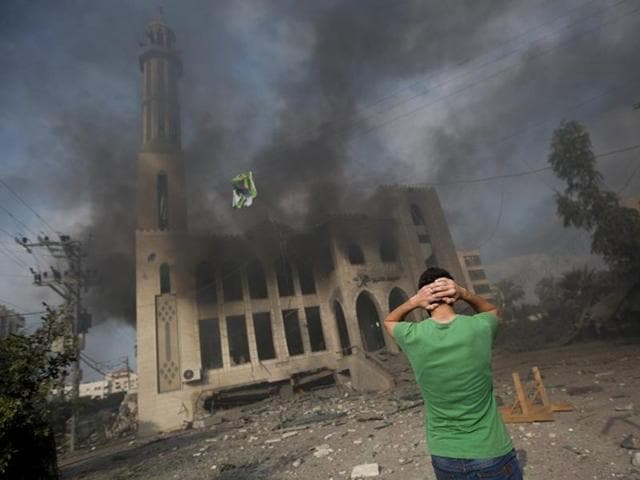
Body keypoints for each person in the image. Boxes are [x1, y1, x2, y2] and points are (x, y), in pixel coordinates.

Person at [383, 267, 522, 480]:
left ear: (424, 299)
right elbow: (491, 311)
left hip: (445, 457)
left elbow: (390, 321)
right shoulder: (479, 327)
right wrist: (465, 293)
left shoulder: (412, 335)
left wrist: (413, 302)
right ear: (453, 296)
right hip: (491, 450)